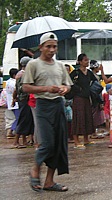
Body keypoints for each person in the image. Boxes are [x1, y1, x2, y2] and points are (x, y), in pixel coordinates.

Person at [22, 32, 72, 192]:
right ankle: (35, 169)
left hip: (58, 105)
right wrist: (46, 88)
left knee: (58, 144)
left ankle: (49, 182)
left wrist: (65, 89)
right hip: (43, 105)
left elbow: (68, 85)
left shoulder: (59, 65)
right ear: (41, 47)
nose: (52, 50)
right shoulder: (33, 65)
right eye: (48, 46)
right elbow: (26, 87)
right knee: (48, 143)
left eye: (54, 46)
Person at [70, 53, 96, 149]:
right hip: (78, 98)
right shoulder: (75, 73)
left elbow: (95, 81)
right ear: (80, 62)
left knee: (87, 117)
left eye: (87, 59)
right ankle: (76, 141)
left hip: (86, 98)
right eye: (85, 60)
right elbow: (69, 82)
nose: (87, 61)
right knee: (78, 118)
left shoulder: (89, 72)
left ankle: (86, 139)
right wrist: (78, 89)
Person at [11, 56, 34, 148]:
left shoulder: (19, 74)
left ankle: (24, 140)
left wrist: (14, 99)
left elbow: (16, 90)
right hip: (25, 99)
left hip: (22, 99)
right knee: (23, 119)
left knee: (26, 119)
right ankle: (16, 141)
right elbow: (21, 88)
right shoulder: (23, 74)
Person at [90, 60, 105, 138]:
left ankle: (93, 132)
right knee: (94, 116)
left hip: (93, 98)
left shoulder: (91, 75)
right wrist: (101, 101)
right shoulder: (95, 77)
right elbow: (97, 90)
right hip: (95, 99)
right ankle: (93, 133)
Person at [6, 68, 19, 138]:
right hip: (15, 103)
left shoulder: (8, 82)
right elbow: (16, 91)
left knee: (16, 118)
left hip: (10, 102)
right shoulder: (14, 83)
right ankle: (11, 130)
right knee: (18, 118)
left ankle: (13, 131)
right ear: (14, 75)